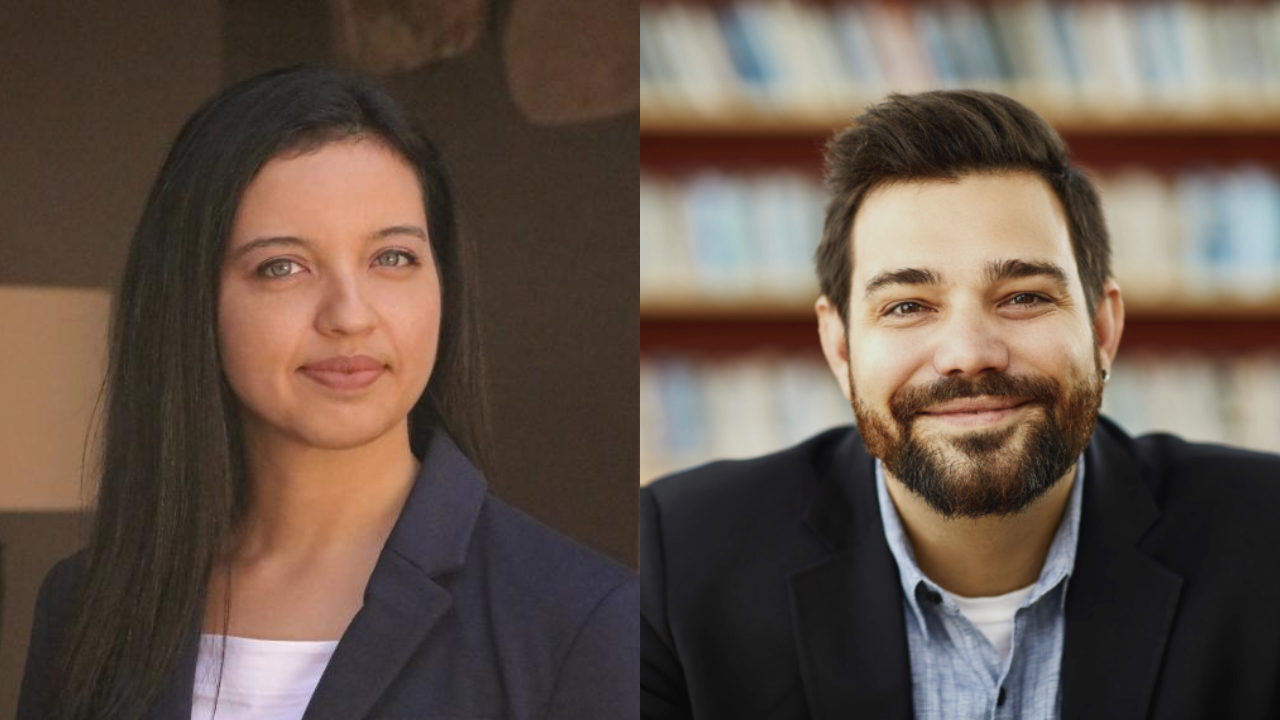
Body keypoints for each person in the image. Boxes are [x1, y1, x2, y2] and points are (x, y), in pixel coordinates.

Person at [17, 66, 637, 720]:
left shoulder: (580, 622)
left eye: (392, 258)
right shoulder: (88, 604)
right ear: (192, 299)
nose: (349, 314)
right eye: (282, 267)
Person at [640, 90, 1280, 720]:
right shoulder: (673, 561)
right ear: (840, 349)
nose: (969, 353)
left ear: (1103, 329)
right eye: (907, 306)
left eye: (1024, 296)